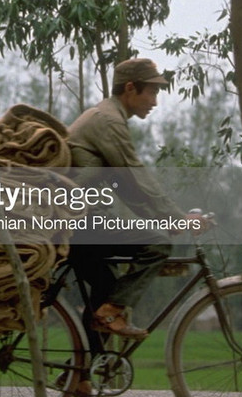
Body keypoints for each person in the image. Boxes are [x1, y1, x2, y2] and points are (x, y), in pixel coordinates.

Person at [67, 57, 198, 341]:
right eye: (151, 92)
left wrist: (163, 217)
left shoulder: (104, 116)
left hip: (73, 220)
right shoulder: (109, 121)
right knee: (158, 244)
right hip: (78, 221)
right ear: (130, 88)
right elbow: (135, 176)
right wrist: (176, 217)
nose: (154, 102)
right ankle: (112, 312)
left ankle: (87, 367)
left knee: (106, 288)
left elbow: (123, 185)